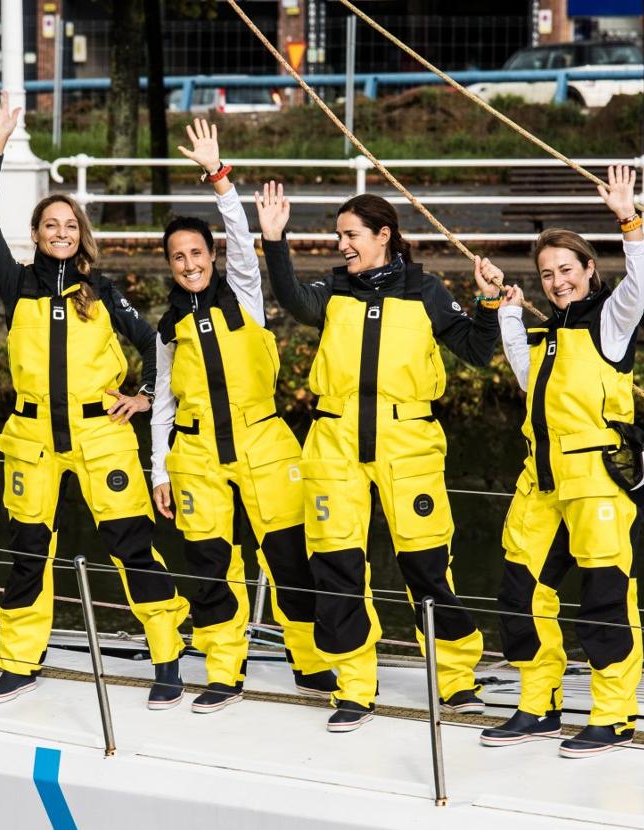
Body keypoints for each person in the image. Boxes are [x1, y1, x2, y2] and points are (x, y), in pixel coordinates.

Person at [0, 89, 190, 708]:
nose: (61, 233)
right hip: (34, 438)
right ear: (37, 235)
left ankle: (167, 655)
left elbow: (157, 346)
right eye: (50, 225)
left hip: (103, 436)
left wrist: (147, 396)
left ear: (80, 235)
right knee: (27, 553)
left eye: (70, 225)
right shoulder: (16, 287)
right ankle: (19, 660)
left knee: (130, 547)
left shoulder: (104, 291)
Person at [255, 183, 501, 732]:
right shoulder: (335, 288)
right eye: (338, 235)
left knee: (427, 566)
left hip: (407, 441)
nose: (342, 244)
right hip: (334, 439)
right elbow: (294, 300)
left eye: (351, 235)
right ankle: (354, 686)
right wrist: (274, 240)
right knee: (337, 567)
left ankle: (457, 677)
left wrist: (486, 302)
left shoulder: (426, 290)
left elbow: (478, 351)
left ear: (383, 235)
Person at [150, 119, 337, 713]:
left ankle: (311, 663)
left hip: (264, 445)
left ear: (211, 256)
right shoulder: (167, 329)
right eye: (178, 257)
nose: (189, 263)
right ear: (171, 265)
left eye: (197, 252)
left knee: (288, 558)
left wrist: (218, 176)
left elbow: (239, 233)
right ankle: (223, 670)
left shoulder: (244, 297)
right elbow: (161, 405)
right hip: (196, 454)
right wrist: (159, 471)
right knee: (208, 565)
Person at [480, 165, 644, 758]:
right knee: (520, 590)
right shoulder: (548, 335)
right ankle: (540, 704)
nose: (557, 282)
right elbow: (526, 376)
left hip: (598, 482)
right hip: (542, 482)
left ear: (588, 272)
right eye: (547, 274)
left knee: (605, 597)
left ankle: (614, 715)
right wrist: (506, 308)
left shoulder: (611, 321)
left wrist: (628, 219)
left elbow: (643, 280)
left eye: (566, 271)